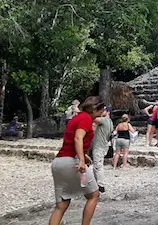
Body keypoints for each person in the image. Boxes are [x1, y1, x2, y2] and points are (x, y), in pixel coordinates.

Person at [48, 96, 105, 225]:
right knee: (94, 195)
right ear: (95, 109)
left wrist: (84, 155)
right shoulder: (85, 118)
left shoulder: (76, 118)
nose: (102, 112)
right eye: (101, 109)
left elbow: (71, 141)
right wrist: (80, 160)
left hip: (58, 162)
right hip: (71, 162)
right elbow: (78, 138)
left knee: (61, 205)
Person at [91, 107, 113, 193]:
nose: (100, 112)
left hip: (99, 146)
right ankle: (97, 184)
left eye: (102, 110)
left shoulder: (104, 120)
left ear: (107, 112)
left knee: (98, 166)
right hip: (103, 146)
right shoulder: (110, 122)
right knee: (97, 165)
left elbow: (93, 119)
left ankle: (101, 185)